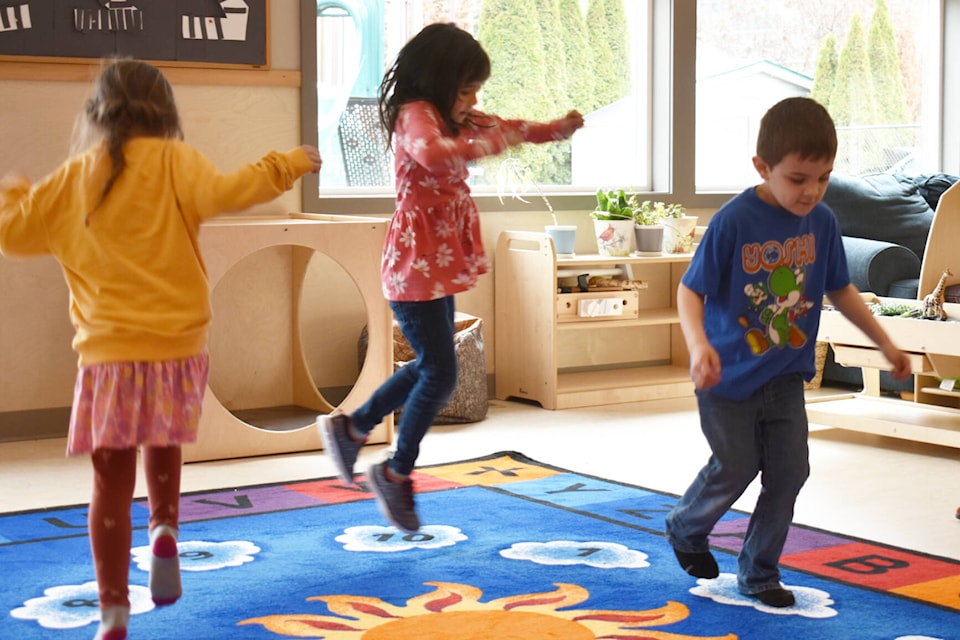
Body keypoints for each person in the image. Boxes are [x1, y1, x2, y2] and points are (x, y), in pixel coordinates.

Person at [0, 59, 321, 640]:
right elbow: (237, 189)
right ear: (168, 116)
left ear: (95, 117)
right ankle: (165, 528)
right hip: (178, 346)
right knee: (164, 434)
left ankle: (114, 608)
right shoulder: (179, 165)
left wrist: (15, 192)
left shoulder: (72, 179)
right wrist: (289, 162)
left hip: (109, 357)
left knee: (109, 483)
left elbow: (13, 234)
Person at [319, 23, 584, 533]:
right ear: (438, 81)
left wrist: (557, 128)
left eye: (475, 89)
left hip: (436, 265)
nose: (473, 99)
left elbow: (512, 127)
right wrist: (481, 145)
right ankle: (394, 470)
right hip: (415, 263)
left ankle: (354, 429)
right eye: (465, 89)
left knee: (433, 365)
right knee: (440, 371)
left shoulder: (452, 116)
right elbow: (432, 153)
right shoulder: (417, 116)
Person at [664, 97, 911, 608]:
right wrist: (698, 346)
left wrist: (886, 340)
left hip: (783, 377)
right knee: (735, 466)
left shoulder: (820, 222)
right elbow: (691, 290)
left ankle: (759, 573)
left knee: (789, 472)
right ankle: (687, 525)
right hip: (726, 377)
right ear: (763, 167)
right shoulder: (734, 221)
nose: (811, 191)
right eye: (798, 178)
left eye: (822, 178)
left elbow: (841, 290)